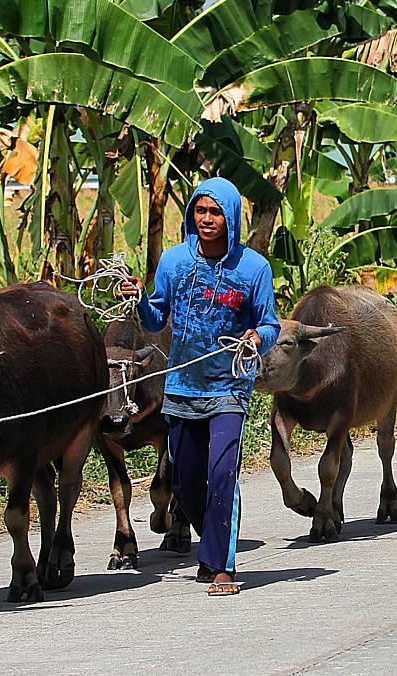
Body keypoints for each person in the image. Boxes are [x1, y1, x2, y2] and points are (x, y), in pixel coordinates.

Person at [119, 177, 279, 594]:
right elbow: (155, 318)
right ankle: (212, 545)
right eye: (200, 211)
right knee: (185, 481)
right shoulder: (174, 263)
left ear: (231, 219)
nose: (207, 220)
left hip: (229, 387)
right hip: (183, 387)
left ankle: (220, 566)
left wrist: (256, 338)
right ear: (192, 214)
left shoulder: (254, 269)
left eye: (216, 213)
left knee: (222, 473)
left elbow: (270, 323)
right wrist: (139, 298)